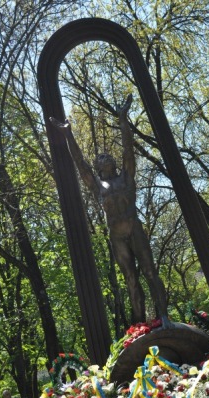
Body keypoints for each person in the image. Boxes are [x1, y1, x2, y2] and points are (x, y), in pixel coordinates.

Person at [50, 95, 170, 326]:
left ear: (114, 163)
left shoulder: (126, 177)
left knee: (150, 272)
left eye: (107, 156)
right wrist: (68, 134)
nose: (104, 158)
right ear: (98, 166)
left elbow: (128, 150)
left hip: (134, 228)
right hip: (117, 237)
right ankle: (140, 326)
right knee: (131, 280)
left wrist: (123, 119)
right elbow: (79, 164)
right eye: (100, 157)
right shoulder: (97, 185)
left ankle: (164, 317)